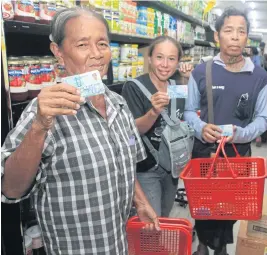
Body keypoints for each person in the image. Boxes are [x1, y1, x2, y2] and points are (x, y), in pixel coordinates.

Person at [1, 8, 159, 255]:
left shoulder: (118, 103)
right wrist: (40, 127)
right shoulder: (44, 112)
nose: (96, 54)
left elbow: (125, 159)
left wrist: (139, 200)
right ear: (59, 53)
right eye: (83, 44)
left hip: (118, 243)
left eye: (102, 43)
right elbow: (10, 189)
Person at [184, 7, 267, 255]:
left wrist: (239, 133)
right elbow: (189, 111)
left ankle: (221, 245)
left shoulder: (259, 77)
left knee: (230, 206)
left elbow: (264, 119)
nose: (235, 37)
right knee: (203, 202)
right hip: (205, 151)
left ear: (247, 38)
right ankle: (202, 242)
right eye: (228, 31)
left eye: (241, 31)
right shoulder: (202, 71)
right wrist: (201, 128)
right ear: (217, 36)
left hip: (237, 154)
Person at [121, 36, 193, 217]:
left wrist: (187, 81)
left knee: (165, 215)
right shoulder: (134, 87)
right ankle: (152, 246)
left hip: (173, 164)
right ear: (150, 58)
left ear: (178, 62)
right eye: (159, 57)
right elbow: (133, 131)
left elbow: (180, 119)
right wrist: (153, 112)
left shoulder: (177, 85)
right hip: (146, 166)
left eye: (171, 59)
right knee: (151, 220)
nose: (165, 64)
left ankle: (159, 245)